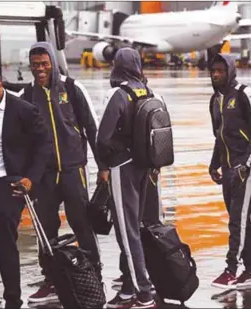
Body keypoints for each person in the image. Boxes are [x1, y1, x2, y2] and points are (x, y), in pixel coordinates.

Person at [19, 42, 106, 303]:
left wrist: (103, 167)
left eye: (44, 64)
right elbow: (22, 138)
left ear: (53, 64)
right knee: (45, 228)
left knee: (81, 223)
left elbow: (92, 127)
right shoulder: (27, 95)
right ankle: (51, 280)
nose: (40, 69)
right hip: (44, 175)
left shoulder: (72, 88)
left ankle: (94, 275)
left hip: (73, 169)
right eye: (35, 65)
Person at [0, 66, 51, 309]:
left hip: (7, 189)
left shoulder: (22, 110)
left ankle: (13, 302)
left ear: (0, 85)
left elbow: (44, 145)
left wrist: (30, 178)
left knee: (6, 246)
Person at [96, 47, 158, 309]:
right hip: (145, 165)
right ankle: (129, 289)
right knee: (133, 226)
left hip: (123, 167)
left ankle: (143, 292)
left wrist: (105, 164)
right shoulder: (148, 91)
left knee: (127, 230)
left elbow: (102, 138)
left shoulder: (119, 94)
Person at [208, 53, 251, 289]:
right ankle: (250, 269)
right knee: (238, 219)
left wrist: (246, 164)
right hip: (228, 167)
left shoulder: (244, 94)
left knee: (237, 221)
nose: (216, 74)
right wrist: (214, 164)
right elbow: (218, 135)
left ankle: (231, 269)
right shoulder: (215, 100)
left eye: (221, 70)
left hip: (246, 167)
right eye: (214, 71)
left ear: (230, 71)